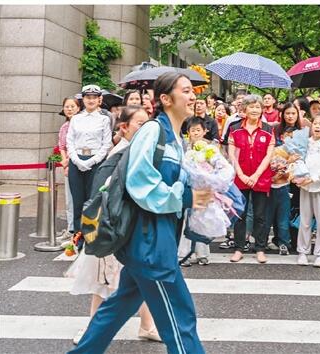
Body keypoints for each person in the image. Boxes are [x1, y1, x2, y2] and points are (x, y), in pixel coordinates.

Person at [68, 73, 210, 354]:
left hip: (154, 239)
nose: (193, 96)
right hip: (150, 241)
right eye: (186, 91)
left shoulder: (176, 139)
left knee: (119, 306)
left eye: (193, 91)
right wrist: (185, 196)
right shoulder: (153, 131)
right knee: (179, 317)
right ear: (166, 99)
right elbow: (140, 181)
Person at [67, 105, 160, 344]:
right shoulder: (120, 154)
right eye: (140, 123)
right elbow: (103, 194)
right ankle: (93, 329)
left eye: (147, 122)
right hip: (115, 229)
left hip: (129, 229)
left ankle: (147, 325)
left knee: (141, 279)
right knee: (104, 282)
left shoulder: (137, 150)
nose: (145, 127)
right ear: (124, 127)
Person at [228, 95, 274, 264]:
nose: (255, 110)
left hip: (260, 178)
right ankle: (239, 248)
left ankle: (260, 248)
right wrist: (241, 175)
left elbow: (269, 155)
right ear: (244, 109)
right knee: (240, 213)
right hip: (240, 178)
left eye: (258, 107)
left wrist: (255, 176)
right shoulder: (234, 128)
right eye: (251, 107)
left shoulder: (268, 129)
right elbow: (231, 154)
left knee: (260, 215)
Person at [66, 85, 112, 236]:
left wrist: (91, 161)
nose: (91, 100)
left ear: (100, 99)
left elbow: (106, 144)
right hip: (76, 160)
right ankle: (77, 236)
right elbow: (69, 141)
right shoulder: (76, 119)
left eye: (94, 97)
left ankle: (91, 236)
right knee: (77, 200)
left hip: (96, 162)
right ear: (83, 99)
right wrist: (77, 160)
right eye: (88, 97)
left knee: (92, 200)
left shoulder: (104, 119)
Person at [297, 114, 320, 267]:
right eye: (315, 124)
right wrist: (299, 176)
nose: (317, 127)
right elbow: (298, 161)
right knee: (305, 221)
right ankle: (303, 251)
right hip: (305, 187)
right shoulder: (305, 143)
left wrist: (312, 178)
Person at [266, 103, 302, 255]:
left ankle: (290, 241)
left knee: (291, 211)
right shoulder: (275, 130)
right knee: (276, 212)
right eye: (287, 113)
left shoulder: (302, 131)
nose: (290, 116)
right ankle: (278, 240)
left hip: (297, 179)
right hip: (278, 179)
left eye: (293, 113)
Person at [178, 117, 213, 267]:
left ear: (205, 131)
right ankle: (184, 253)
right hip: (187, 187)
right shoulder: (183, 146)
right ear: (188, 132)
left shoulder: (211, 147)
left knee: (202, 220)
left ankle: (202, 254)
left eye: (198, 130)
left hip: (204, 187)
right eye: (193, 130)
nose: (196, 133)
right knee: (186, 220)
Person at [58, 97, 80, 238]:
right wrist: (64, 162)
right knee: (69, 199)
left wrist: (70, 160)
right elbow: (61, 146)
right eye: (67, 106)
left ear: (78, 108)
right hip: (68, 165)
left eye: (72, 106)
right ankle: (70, 228)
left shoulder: (82, 124)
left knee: (80, 198)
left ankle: (81, 228)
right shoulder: (64, 127)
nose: (70, 109)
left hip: (79, 164)